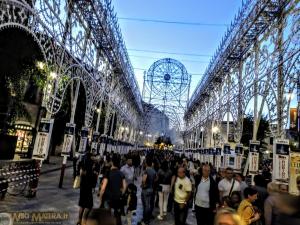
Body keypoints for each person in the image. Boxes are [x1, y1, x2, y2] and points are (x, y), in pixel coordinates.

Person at [99, 155, 127, 225]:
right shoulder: (121, 173)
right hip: (117, 197)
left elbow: (103, 188)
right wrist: (121, 193)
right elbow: (125, 186)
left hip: (108, 198)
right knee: (117, 215)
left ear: (112, 162)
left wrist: (100, 197)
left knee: (107, 214)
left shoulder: (108, 172)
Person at [77, 152, 95, 225]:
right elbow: (91, 177)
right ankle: (83, 222)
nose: (93, 157)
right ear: (90, 157)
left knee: (82, 205)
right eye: (93, 156)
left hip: (83, 187)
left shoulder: (83, 164)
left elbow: (81, 175)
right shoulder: (90, 165)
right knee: (89, 205)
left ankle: (79, 220)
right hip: (88, 187)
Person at [141, 156, 157, 225]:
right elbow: (156, 178)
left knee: (145, 205)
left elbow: (144, 179)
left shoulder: (146, 170)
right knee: (150, 204)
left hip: (146, 190)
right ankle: (149, 217)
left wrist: (143, 184)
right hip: (151, 189)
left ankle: (145, 220)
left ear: (146, 163)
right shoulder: (154, 170)